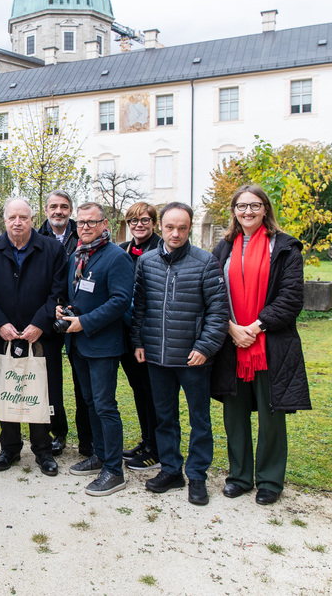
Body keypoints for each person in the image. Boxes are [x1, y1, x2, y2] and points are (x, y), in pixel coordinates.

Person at [212, 185, 310, 506]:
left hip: (270, 344)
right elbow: (212, 295)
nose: (248, 212)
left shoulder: (284, 249)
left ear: (265, 209)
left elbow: (291, 298)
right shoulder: (223, 249)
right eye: (241, 207)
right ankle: (239, 476)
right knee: (234, 415)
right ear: (234, 211)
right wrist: (231, 329)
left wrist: (253, 328)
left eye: (254, 206)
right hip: (231, 345)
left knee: (271, 414)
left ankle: (269, 480)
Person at [131, 202, 228, 506]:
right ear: (160, 227)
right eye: (170, 227)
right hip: (157, 357)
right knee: (165, 418)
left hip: (192, 359)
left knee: (199, 419)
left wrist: (204, 347)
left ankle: (197, 476)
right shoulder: (146, 262)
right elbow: (140, 308)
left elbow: (217, 310)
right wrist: (138, 341)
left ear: (189, 228)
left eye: (182, 228)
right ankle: (171, 470)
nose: (175, 233)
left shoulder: (204, 262)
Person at [0, 197, 67, 477]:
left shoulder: (52, 249)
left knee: (40, 390)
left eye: (24, 217)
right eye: (12, 218)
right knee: (8, 387)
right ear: (4, 220)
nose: (17, 223)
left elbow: (58, 291)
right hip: (3, 335)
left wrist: (40, 323)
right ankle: (10, 447)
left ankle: (42, 449)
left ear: (32, 219)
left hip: (40, 336)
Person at [57, 202, 134, 496]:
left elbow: (119, 301)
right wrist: (63, 309)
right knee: (89, 403)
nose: (85, 227)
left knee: (105, 406)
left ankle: (114, 470)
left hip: (102, 344)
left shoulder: (116, 258)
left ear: (105, 225)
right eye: (81, 222)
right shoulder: (78, 254)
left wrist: (84, 322)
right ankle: (100, 455)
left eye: (92, 222)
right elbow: (75, 293)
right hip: (79, 343)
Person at [38, 189, 86, 456]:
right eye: (54, 206)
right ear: (46, 209)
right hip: (50, 317)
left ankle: (87, 440)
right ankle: (57, 432)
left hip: (80, 316)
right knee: (50, 381)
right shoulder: (37, 236)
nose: (59, 211)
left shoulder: (82, 234)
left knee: (83, 384)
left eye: (64, 206)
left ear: (71, 210)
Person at [118, 202, 163, 471]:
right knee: (138, 390)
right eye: (133, 221)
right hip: (126, 333)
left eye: (145, 220)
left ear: (154, 223)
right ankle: (147, 441)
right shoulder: (123, 249)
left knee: (153, 392)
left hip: (150, 334)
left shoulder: (160, 248)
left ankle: (157, 449)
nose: (139, 225)